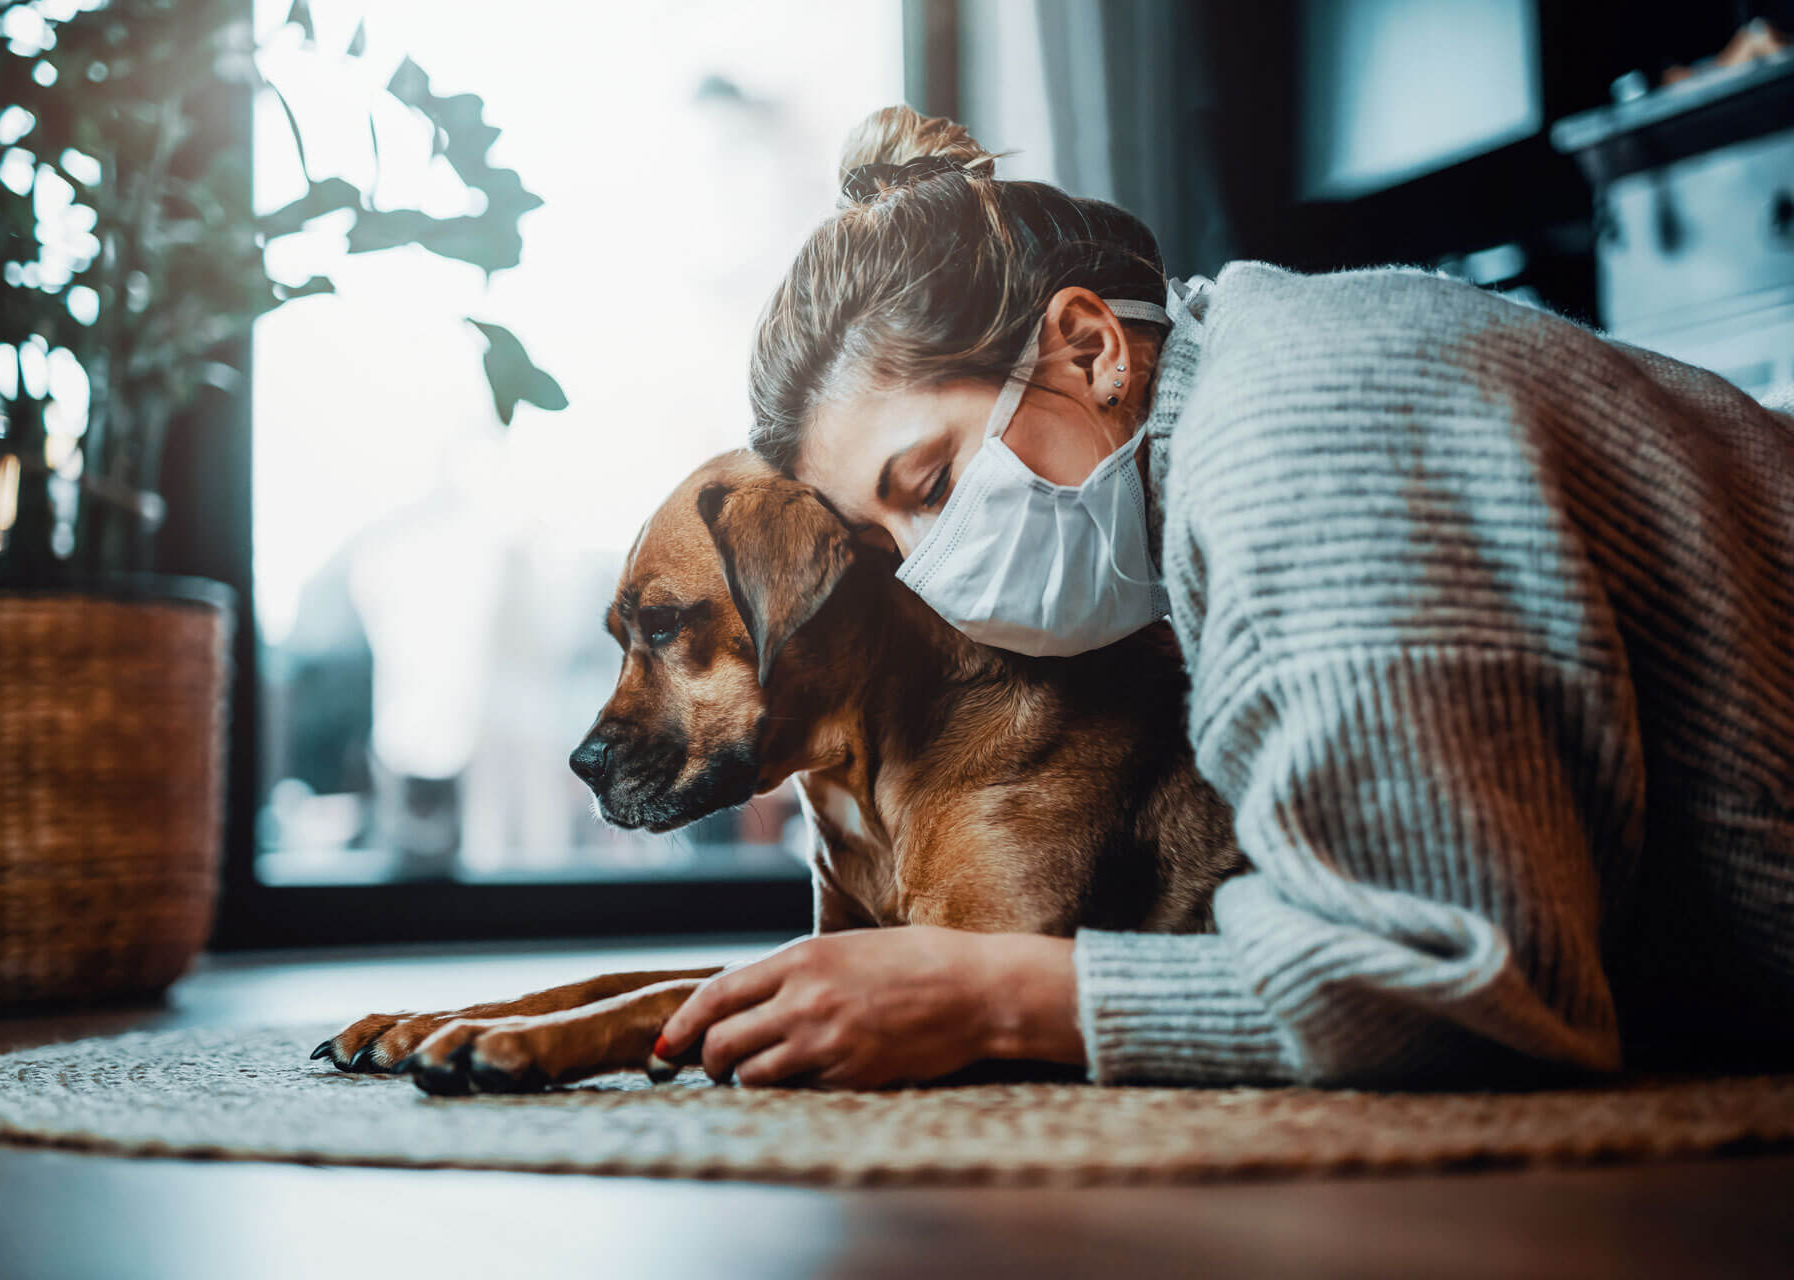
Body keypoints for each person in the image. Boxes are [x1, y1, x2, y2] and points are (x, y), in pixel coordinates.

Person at [656, 106, 1794, 1090]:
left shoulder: (1286, 444)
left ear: (1090, 346)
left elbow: (1476, 973)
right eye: (883, 539)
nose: (930, 567)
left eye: (934, 482)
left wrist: (1001, 992)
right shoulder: (1256, 361)